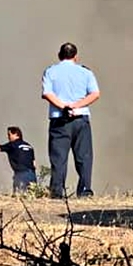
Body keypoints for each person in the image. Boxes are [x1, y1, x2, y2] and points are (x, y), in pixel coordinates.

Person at [41, 42, 101, 199]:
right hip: (81, 119)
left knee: (58, 158)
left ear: (59, 55)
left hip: (60, 120)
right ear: (76, 56)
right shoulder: (85, 72)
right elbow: (95, 94)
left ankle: (57, 192)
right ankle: (85, 191)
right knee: (84, 157)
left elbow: (47, 93)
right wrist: (76, 106)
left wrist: (64, 106)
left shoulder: (50, 71)